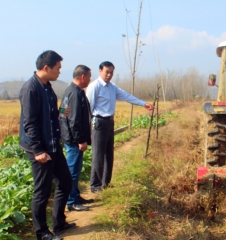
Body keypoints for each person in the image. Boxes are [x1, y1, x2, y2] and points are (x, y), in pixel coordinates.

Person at [19, 50, 75, 240]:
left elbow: (49, 116)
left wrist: (60, 113)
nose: (60, 72)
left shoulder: (47, 87)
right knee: (42, 191)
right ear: (46, 67)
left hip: (52, 145)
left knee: (65, 182)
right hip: (40, 149)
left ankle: (59, 224)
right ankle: (42, 233)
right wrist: (38, 150)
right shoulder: (30, 89)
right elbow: (30, 123)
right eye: (58, 68)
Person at [86, 61, 154, 193]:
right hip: (98, 122)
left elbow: (127, 96)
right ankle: (95, 185)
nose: (109, 75)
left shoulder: (112, 87)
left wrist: (143, 104)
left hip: (109, 122)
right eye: (107, 72)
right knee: (98, 155)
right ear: (100, 71)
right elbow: (89, 108)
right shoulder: (94, 86)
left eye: (111, 72)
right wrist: (88, 128)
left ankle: (106, 182)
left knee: (108, 154)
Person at [59, 65, 94, 212]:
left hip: (70, 137)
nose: (90, 80)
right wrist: (80, 140)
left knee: (76, 169)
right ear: (82, 77)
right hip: (73, 140)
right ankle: (71, 201)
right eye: (89, 77)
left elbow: (62, 113)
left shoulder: (70, 90)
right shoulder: (75, 93)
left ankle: (75, 195)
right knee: (72, 171)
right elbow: (73, 120)